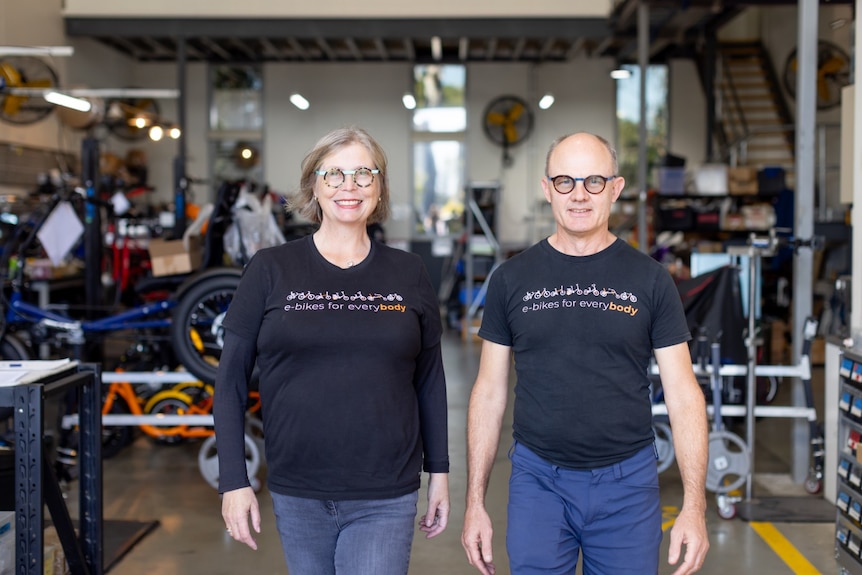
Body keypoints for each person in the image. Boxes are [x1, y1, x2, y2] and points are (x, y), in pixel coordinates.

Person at [460, 132, 709, 575]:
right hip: (538, 482)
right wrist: (475, 502)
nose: (578, 194)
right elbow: (489, 391)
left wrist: (695, 505)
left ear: (615, 188)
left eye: (593, 181)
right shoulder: (510, 279)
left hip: (627, 486)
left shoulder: (651, 280)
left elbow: (684, 394)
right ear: (547, 188)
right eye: (565, 181)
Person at [214, 126, 450, 575]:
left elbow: (430, 379)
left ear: (379, 188)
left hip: (386, 489)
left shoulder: (408, 272)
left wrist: (438, 472)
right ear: (314, 186)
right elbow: (230, 383)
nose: (349, 186)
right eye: (334, 174)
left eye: (364, 173)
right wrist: (233, 481)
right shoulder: (269, 270)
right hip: (296, 487)